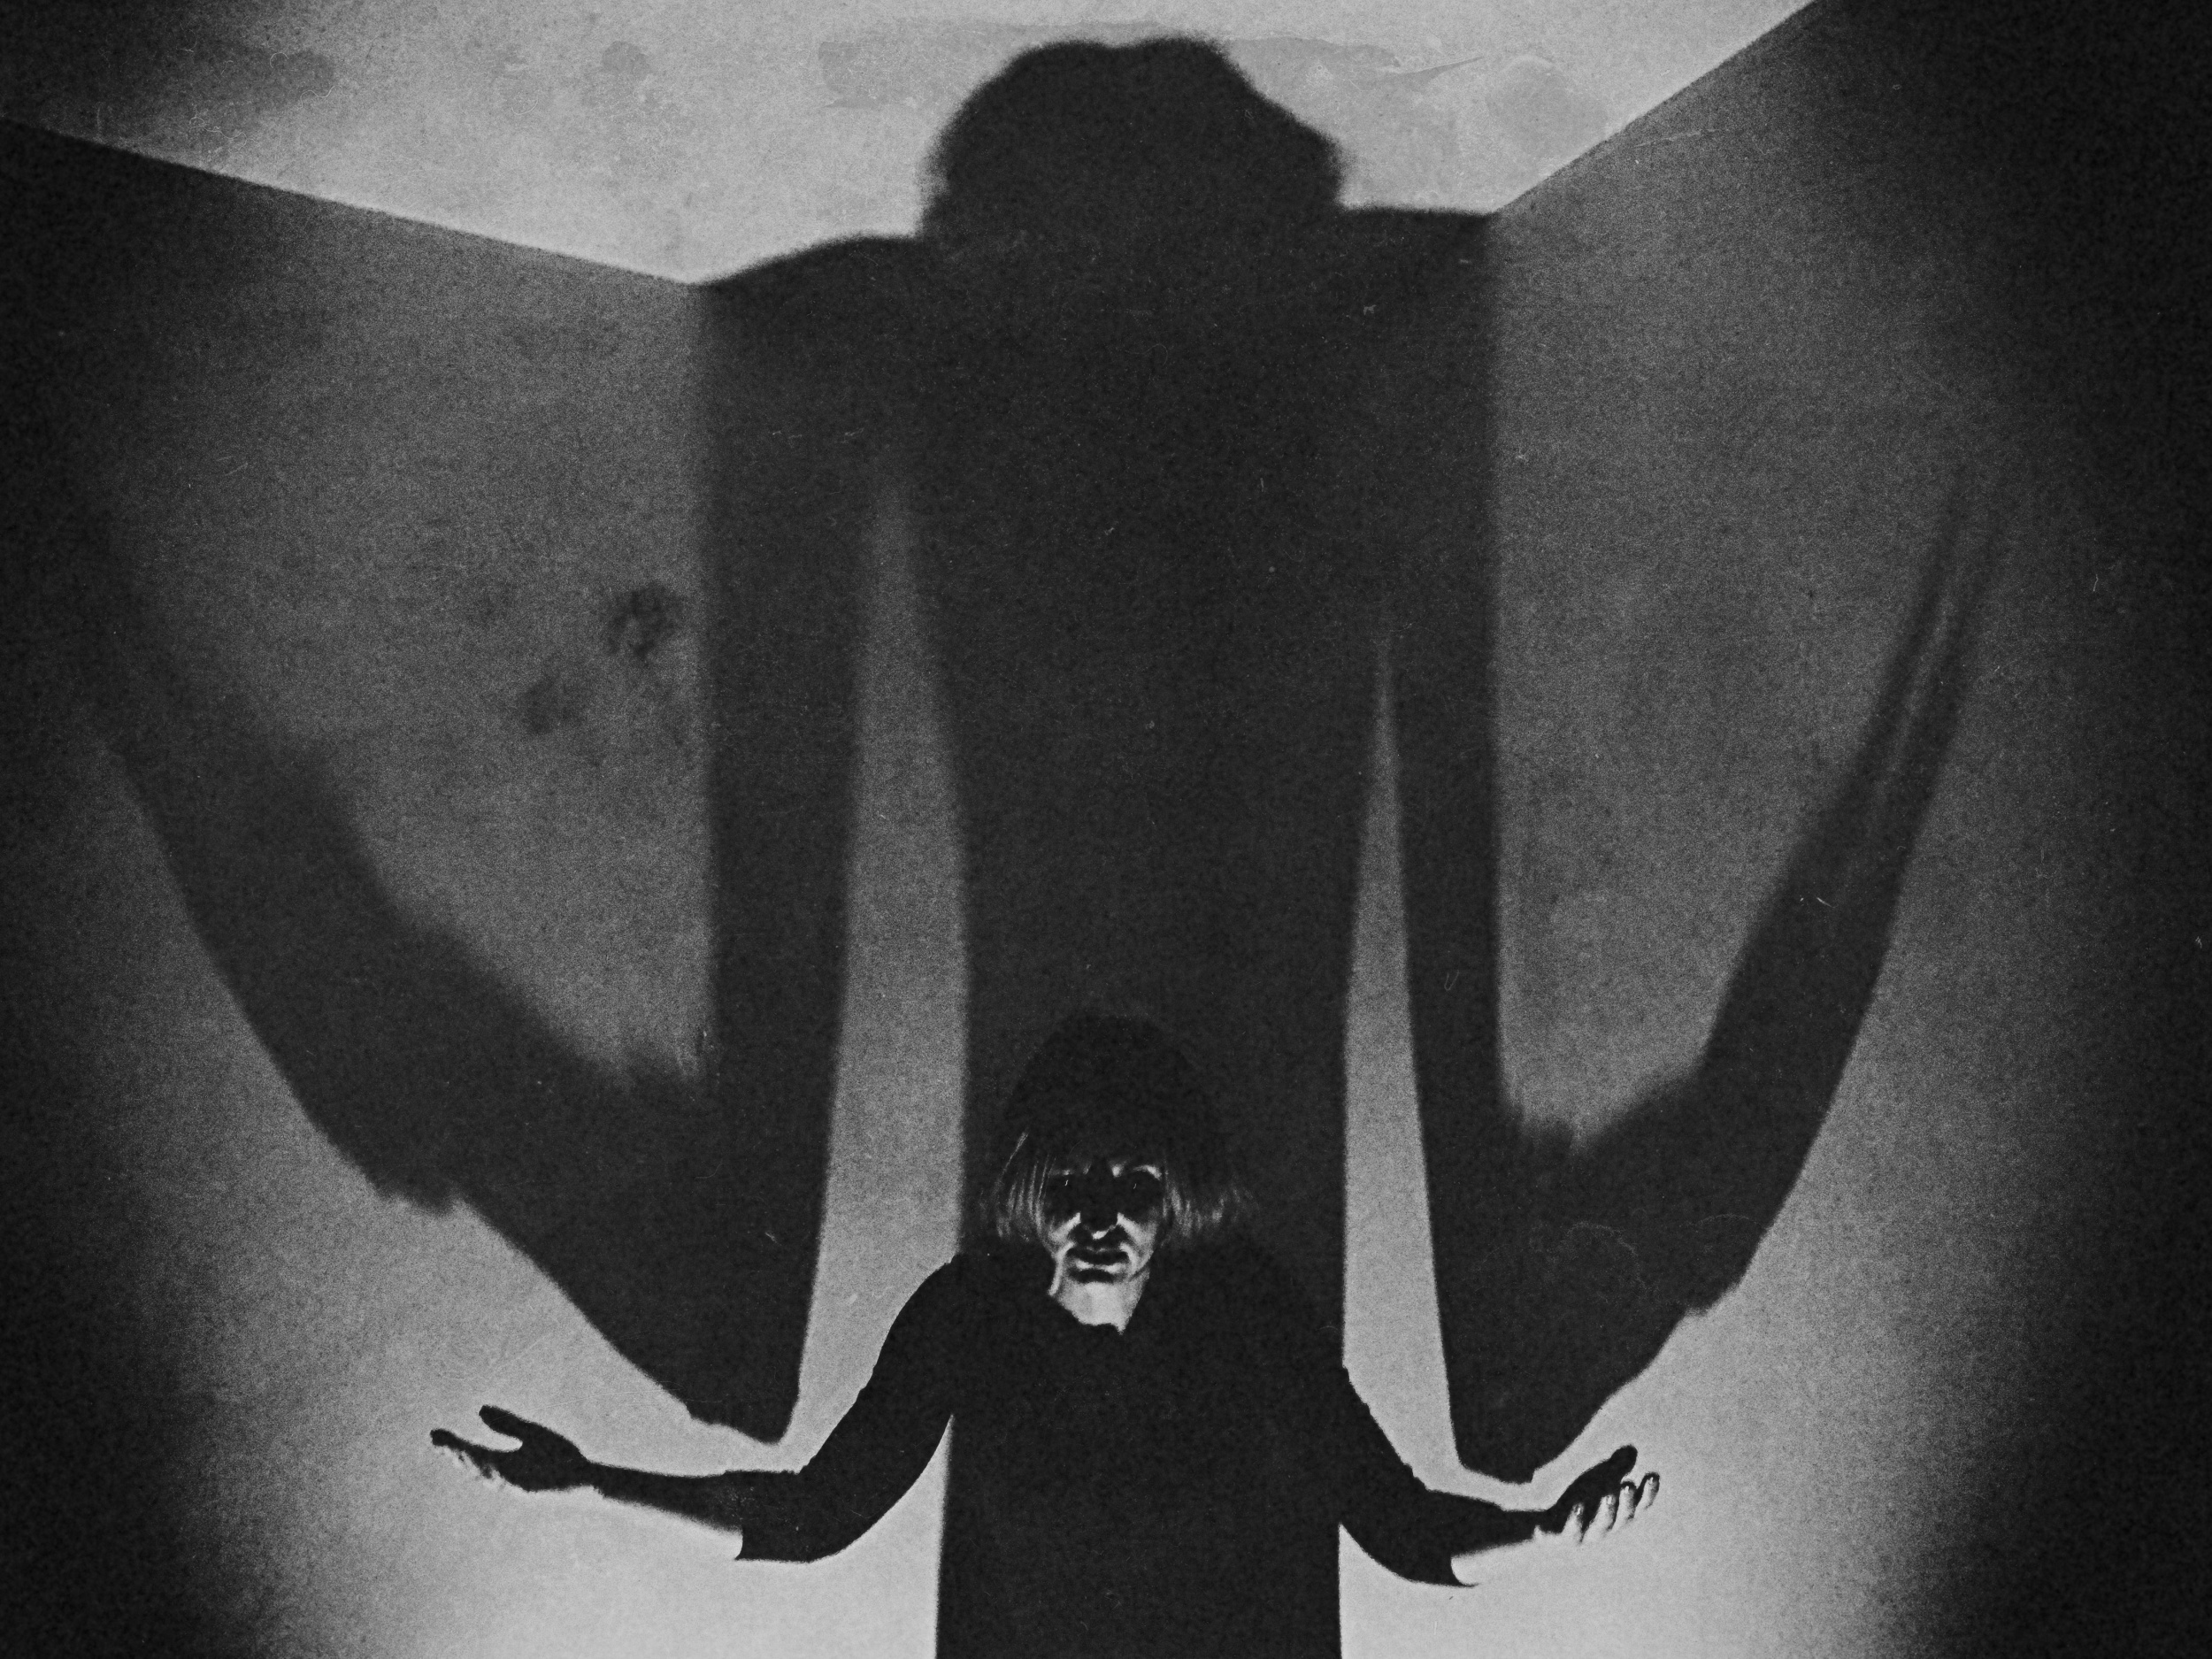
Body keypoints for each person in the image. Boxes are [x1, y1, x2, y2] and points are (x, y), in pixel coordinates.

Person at [436, 1014, 1657, 1657]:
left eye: (1134, 1184)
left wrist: (1542, 1530)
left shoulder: (1247, 1309)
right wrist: (595, 1481)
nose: (1102, 1217)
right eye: (1073, 1182)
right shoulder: (967, 1315)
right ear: (1033, 1188)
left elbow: (1396, 1525)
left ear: (1176, 1191)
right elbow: (815, 1515)